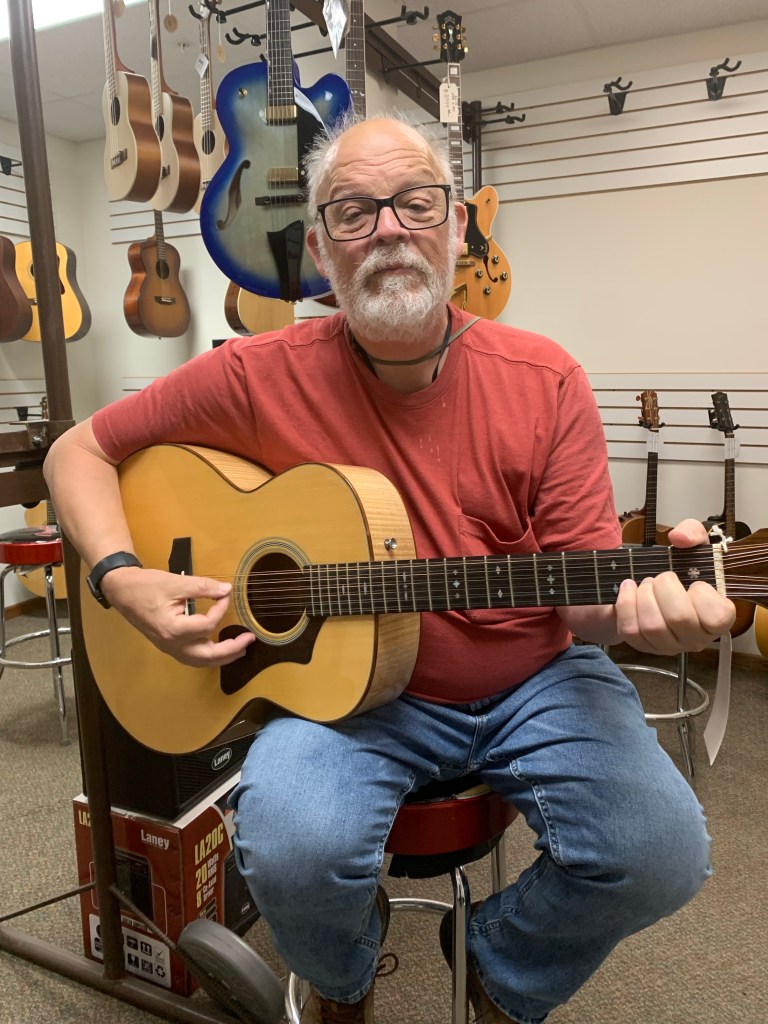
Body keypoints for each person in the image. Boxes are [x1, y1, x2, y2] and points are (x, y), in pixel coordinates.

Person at [44, 113, 735, 1024]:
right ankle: (344, 980)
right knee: (288, 850)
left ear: (458, 226)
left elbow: (588, 611)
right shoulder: (256, 373)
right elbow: (78, 451)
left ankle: (496, 963)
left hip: (536, 678)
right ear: (320, 248)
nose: (389, 231)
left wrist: (650, 615)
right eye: (354, 211)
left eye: (417, 203)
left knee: (661, 854)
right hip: (351, 699)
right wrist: (121, 575)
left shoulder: (546, 380)